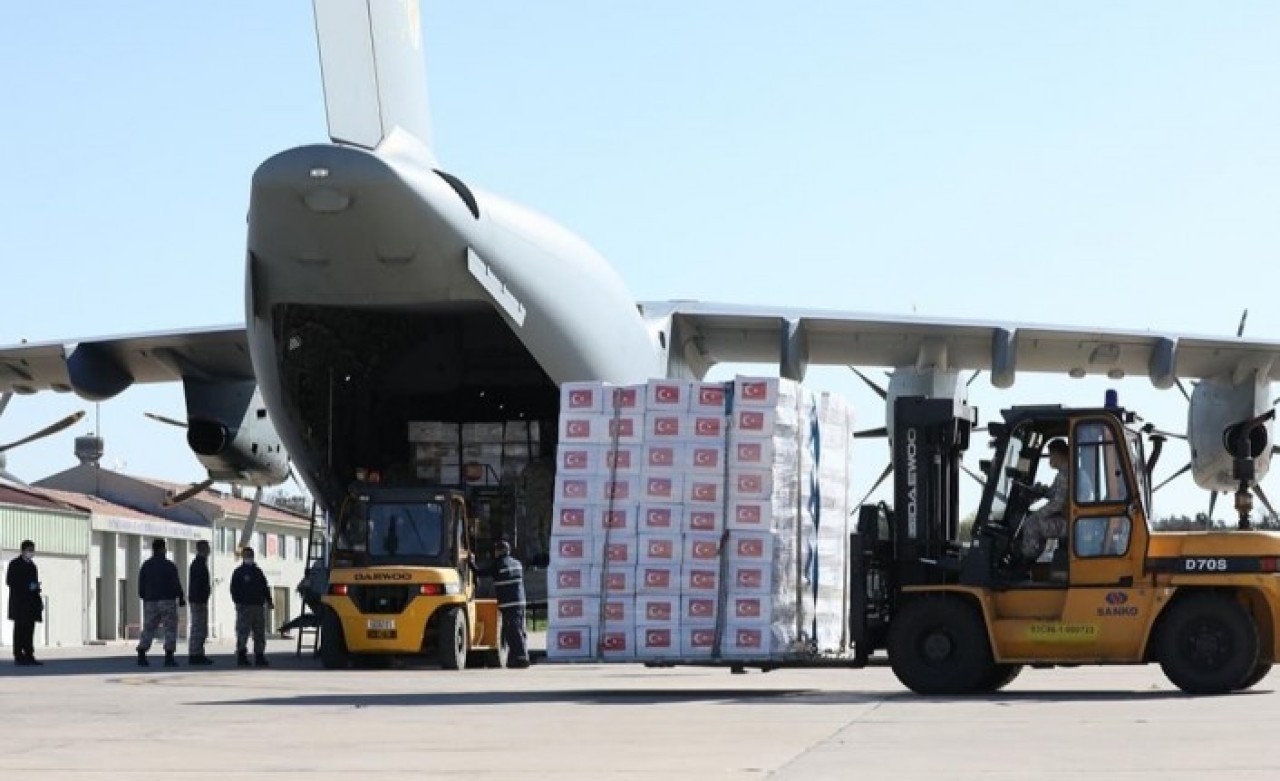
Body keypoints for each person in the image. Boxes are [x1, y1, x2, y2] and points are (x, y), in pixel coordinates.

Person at [475, 540, 529, 668]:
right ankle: (517, 657)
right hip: (520, 601)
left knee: (512, 630)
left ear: (499, 551)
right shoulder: (517, 563)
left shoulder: (498, 564)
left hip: (508, 603)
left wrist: (471, 563)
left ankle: (521, 658)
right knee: (520, 629)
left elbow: (480, 573)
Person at [1019, 439, 1071, 564]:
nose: (1050, 459)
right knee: (1034, 520)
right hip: (1067, 519)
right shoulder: (1065, 472)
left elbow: (1057, 504)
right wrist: (1040, 490)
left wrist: (1037, 514)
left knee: (1031, 523)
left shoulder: (1065, 474)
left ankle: (1025, 562)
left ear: (1058, 454)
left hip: (1068, 523)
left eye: (1051, 455)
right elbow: (1053, 493)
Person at [137, 539, 186, 667]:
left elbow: (141, 587)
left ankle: (142, 652)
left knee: (149, 628)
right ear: (163, 549)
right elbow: (176, 583)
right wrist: (180, 597)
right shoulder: (169, 565)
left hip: (150, 600)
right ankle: (169, 656)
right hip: (167, 600)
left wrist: (145, 596)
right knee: (170, 628)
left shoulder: (146, 565)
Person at [230, 546, 274, 667]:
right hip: (245, 606)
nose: (248, 557)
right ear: (243, 557)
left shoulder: (258, 572)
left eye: (250, 555)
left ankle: (259, 656)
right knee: (242, 632)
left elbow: (265, 587)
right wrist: (238, 602)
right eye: (246, 555)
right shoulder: (238, 572)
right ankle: (241, 656)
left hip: (258, 606)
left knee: (259, 632)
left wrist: (269, 600)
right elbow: (233, 589)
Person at [6, 540, 43, 666]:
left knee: (29, 629)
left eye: (32, 550)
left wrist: (36, 590)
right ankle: (18, 655)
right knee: (19, 629)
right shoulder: (14, 564)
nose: (31, 553)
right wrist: (26, 586)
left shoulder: (32, 566)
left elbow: (34, 583)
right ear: (23, 551)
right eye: (29, 550)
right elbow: (10, 581)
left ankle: (29, 654)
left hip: (30, 603)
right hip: (19, 602)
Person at [187, 540, 214, 665]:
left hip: (198, 599)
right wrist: (203, 597)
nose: (209, 550)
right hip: (199, 600)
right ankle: (195, 654)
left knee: (200, 627)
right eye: (207, 548)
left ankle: (198, 652)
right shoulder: (199, 564)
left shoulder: (200, 563)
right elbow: (199, 584)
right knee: (199, 627)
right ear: (202, 549)